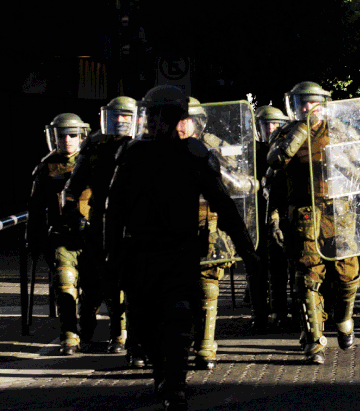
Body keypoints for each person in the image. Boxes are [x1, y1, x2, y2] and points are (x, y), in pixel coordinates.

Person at [105, 85, 261, 410]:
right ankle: (164, 373)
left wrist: (247, 249)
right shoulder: (133, 154)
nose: (148, 121)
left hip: (179, 251)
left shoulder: (194, 154)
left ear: (168, 117)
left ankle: (174, 383)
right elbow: (114, 210)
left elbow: (223, 204)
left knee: (177, 318)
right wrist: (112, 253)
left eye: (152, 115)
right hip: (141, 252)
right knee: (142, 322)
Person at [266, 81, 360, 364]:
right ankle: (314, 341)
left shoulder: (341, 132)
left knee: (347, 277)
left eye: (311, 103)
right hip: (305, 218)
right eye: (301, 104)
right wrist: (274, 219)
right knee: (308, 279)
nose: (306, 108)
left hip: (339, 215)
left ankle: (344, 320)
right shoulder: (286, 135)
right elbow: (275, 174)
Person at [176, 97, 263, 370]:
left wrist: (220, 176)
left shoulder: (214, 147)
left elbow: (245, 183)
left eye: (186, 119)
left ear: (198, 122)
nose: (180, 125)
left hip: (208, 224)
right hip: (170, 227)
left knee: (207, 286)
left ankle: (204, 347)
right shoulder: (156, 150)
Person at [61, 97, 137, 357]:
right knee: (106, 279)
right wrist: (73, 213)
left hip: (138, 220)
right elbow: (72, 186)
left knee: (135, 281)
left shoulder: (146, 143)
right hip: (102, 220)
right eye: (115, 116)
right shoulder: (94, 144)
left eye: (126, 116)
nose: (120, 121)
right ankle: (117, 332)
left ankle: (130, 334)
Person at [27, 113, 91, 355]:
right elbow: (35, 206)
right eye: (61, 135)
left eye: (72, 135)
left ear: (82, 135)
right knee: (65, 284)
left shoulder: (94, 161)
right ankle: (69, 335)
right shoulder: (46, 167)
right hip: (62, 236)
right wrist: (32, 238)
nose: (67, 140)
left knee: (93, 289)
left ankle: (87, 325)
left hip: (92, 236)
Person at [254, 105, 291, 328]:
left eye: (275, 124)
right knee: (261, 267)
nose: (270, 129)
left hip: (285, 213)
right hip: (258, 215)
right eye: (266, 125)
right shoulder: (253, 151)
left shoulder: (287, 148)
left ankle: (288, 310)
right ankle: (266, 312)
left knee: (285, 264)